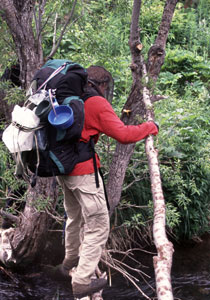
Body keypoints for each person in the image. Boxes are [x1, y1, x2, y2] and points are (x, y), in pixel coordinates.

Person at [56, 65, 159, 299]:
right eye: (106, 87)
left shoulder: (70, 96)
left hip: (64, 169)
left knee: (74, 217)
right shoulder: (96, 102)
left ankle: (68, 263)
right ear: (101, 85)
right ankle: (81, 281)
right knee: (99, 224)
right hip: (83, 172)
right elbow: (123, 135)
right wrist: (150, 128)